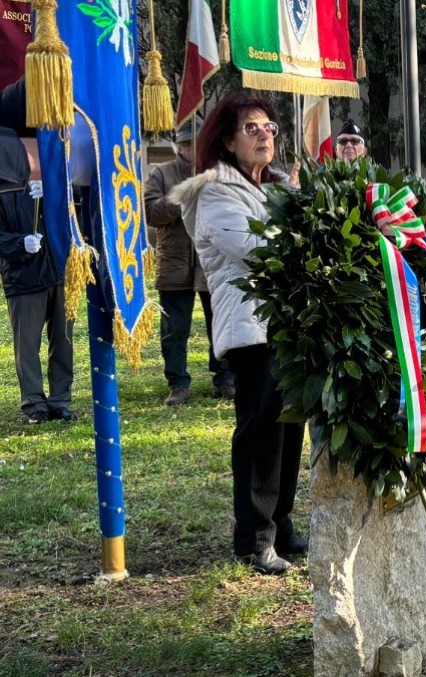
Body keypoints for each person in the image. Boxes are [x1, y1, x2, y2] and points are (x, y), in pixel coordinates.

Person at [169, 92, 304, 575]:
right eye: (252, 127)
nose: (265, 134)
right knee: (261, 433)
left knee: (290, 432)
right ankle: (253, 537)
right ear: (227, 140)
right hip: (250, 328)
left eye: (269, 126)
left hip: (285, 325)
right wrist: (300, 227)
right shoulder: (214, 191)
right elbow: (253, 250)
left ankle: (281, 523)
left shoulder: (271, 188)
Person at [144, 115, 235, 406]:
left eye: (199, 143)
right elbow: (151, 213)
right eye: (188, 144)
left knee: (220, 325)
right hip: (175, 263)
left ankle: (224, 379)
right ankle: (178, 384)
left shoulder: (223, 172)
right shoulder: (162, 174)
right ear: (179, 147)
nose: (194, 149)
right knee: (174, 330)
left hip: (214, 263)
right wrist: (183, 194)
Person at [0, 125, 75, 425]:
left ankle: (60, 399)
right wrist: (20, 243)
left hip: (58, 270)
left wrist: (53, 200)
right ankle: (34, 402)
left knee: (64, 339)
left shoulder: (48, 184)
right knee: (27, 344)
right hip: (23, 275)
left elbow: (74, 217)